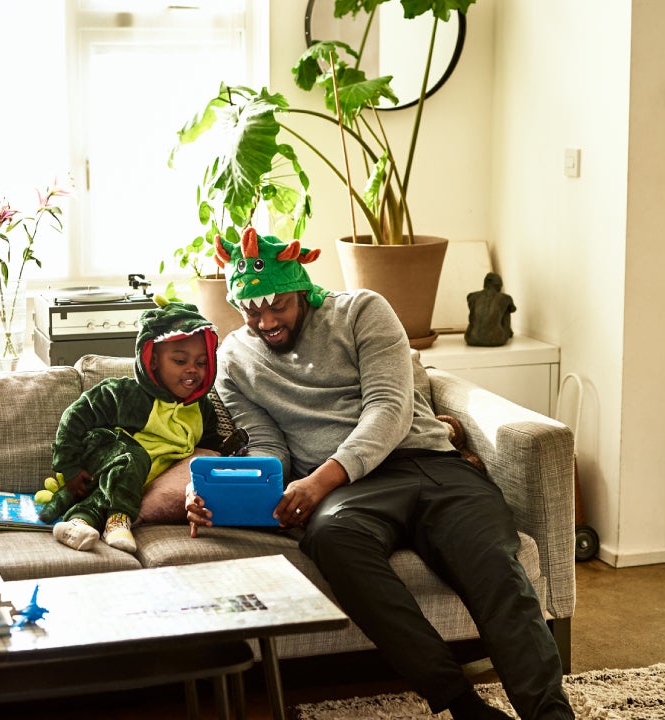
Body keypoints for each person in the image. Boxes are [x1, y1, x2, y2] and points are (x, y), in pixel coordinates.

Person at [187, 227, 574, 720]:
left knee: (497, 571)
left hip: (429, 465)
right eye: (250, 311)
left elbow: (389, 408)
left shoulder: (361, 310)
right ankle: (462, 705)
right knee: (330, 539)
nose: (265, 322)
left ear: (299, 289)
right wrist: (227, 489)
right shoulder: (234, 360)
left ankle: (551, 716)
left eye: (276, 305)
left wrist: (322, 479)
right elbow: (269, 449)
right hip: (351, 494)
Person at [41, 297, 226, 553]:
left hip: (137, 480)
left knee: (120, 484)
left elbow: (208, 445)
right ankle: (117, 521)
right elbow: (75, 416)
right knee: (133, 458)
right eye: (180, 361)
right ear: (153, 360)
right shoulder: (128, 394)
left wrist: (229, 456)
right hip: (105, 456)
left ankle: (78, 523)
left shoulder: (202, 408)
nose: (192, 370)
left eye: (201, 363)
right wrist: (69, 466)